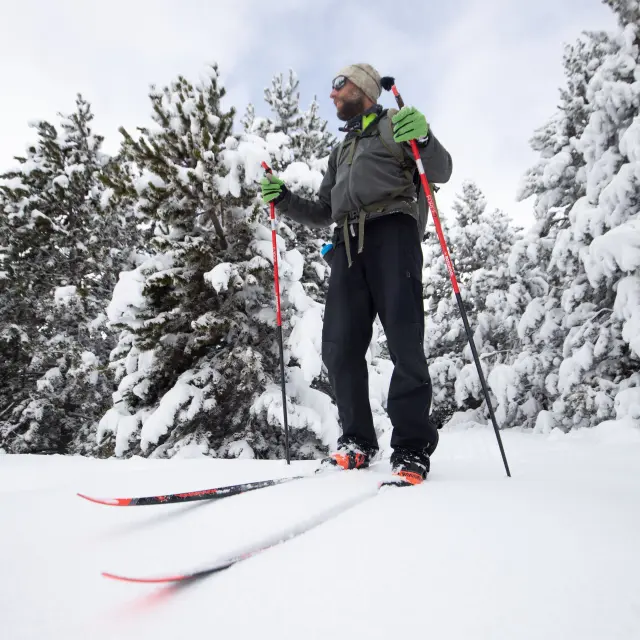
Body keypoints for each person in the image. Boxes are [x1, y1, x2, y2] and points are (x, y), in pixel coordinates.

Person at [261, 63, 452, 485]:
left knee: (404, 340)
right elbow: (325, 210)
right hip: (347, 244)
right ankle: (358, 441)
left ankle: (411, 447)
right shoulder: (341, 150)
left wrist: (423, 137)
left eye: (339, 86)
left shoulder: (394, 126)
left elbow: (439, 170)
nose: (332, 95)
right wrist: (286, 199)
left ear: (364, 89)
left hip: (393, 233)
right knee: (340, 345)